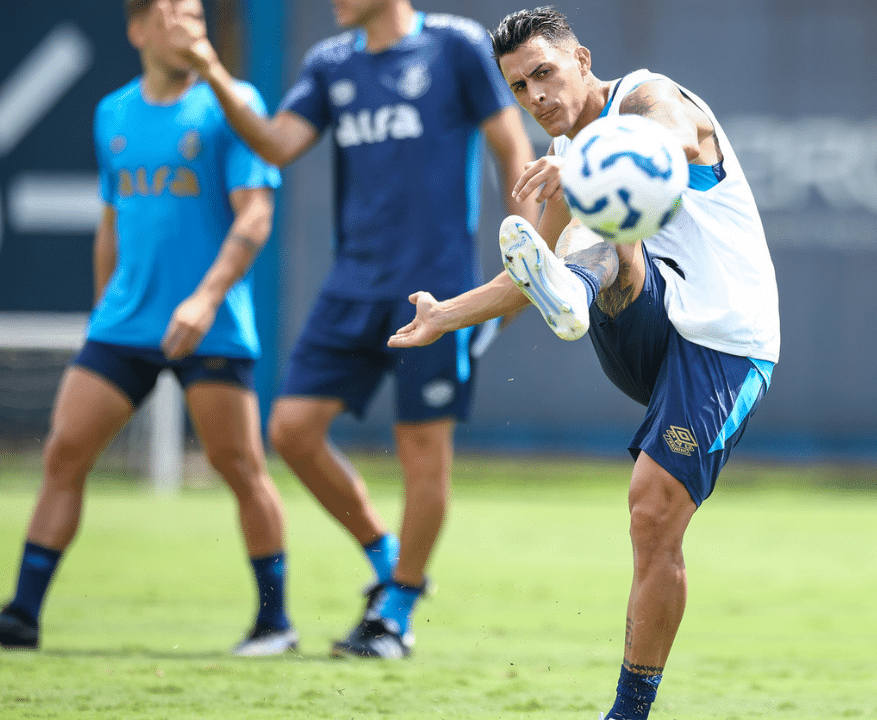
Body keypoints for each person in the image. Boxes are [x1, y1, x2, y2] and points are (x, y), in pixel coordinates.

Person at [389, 7, 780, 718]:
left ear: (581, 59)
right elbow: (520, 276)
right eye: (518, 87)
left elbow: (657, 144)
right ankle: (572, 288)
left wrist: (586, 166)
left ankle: (629, 711)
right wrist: (442, 314)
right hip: (639, 319)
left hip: (725, 343)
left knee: (651, 514)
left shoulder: (650, 99)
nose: (535, 96)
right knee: (574, 228)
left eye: (544, 72)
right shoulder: (576, 163)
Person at [163, 0, 539, 658]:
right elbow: (278, 144)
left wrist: (524, 263)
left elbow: (514, 150)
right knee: (291, 431)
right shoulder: (330, 61)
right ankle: (388, 557)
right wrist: (211, 70)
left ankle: (394, 614)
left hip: (437, 293)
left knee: (422, 453)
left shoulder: (453, 45)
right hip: (351, 287)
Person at [0, 0, 295, 656]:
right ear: (137, 30)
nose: (186, 23)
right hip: (125, 325)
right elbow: (114, 220)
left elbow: (255, 218)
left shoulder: (232, 101)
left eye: (195, 12)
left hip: (209, 323)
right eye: (170, 13)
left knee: (240, 466)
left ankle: (275, 623)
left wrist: (204, 299)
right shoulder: (112, 113)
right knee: (64, 452)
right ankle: (21, 614)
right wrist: (105, 307)